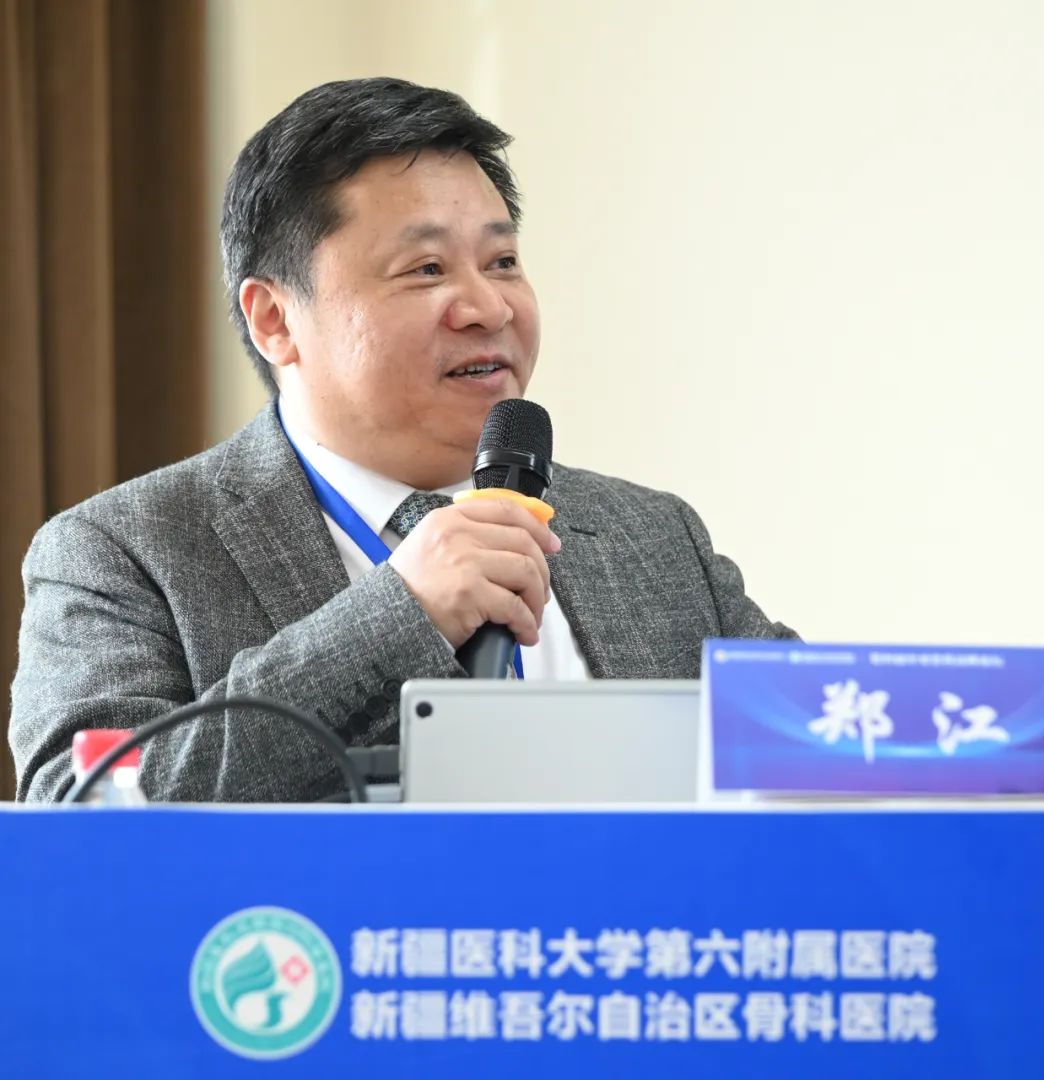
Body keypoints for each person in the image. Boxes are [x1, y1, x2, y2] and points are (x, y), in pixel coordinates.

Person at [9, 78, 795, 803]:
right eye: (425, 269)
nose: (489, 306)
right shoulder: (127, 551)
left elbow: (820, 752)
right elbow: (81, 812)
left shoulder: (653, 540)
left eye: (503, 261)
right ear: (275, 319)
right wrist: (399, 615)